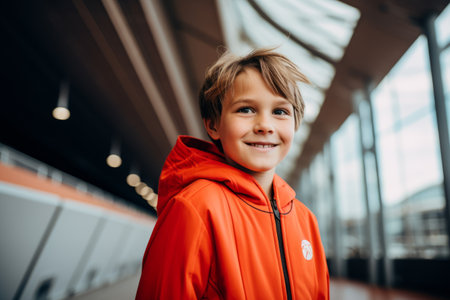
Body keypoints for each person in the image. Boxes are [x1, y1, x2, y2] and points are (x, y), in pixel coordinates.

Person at [135, 48, 329, 299]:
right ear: (213, 124)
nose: (265, 126)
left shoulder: (306, 220)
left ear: (295, 124)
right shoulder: (195, 208)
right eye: (246, 110)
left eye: (280, 112)